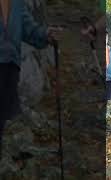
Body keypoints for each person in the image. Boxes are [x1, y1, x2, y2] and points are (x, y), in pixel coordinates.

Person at [0, 0, 62, 159]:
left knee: (4, 122)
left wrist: (46, 34)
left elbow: (29, 29)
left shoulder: (17, 3)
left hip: (10, 67)